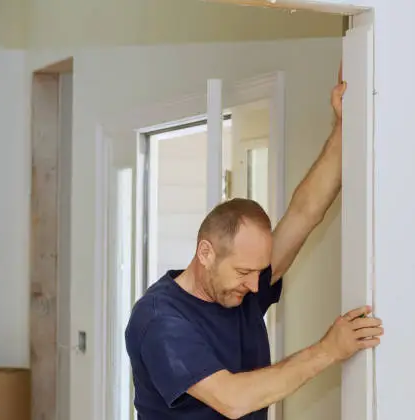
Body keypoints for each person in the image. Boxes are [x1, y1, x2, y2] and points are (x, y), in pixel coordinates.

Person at [125, 68, 383, 420]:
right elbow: (232, 399)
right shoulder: (160, 320)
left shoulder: (241, 287)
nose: (254, 284)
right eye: (244, 271)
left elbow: (305, 211)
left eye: (259, 271)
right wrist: (328, 350)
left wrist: (344, 125)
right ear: (206, 253)